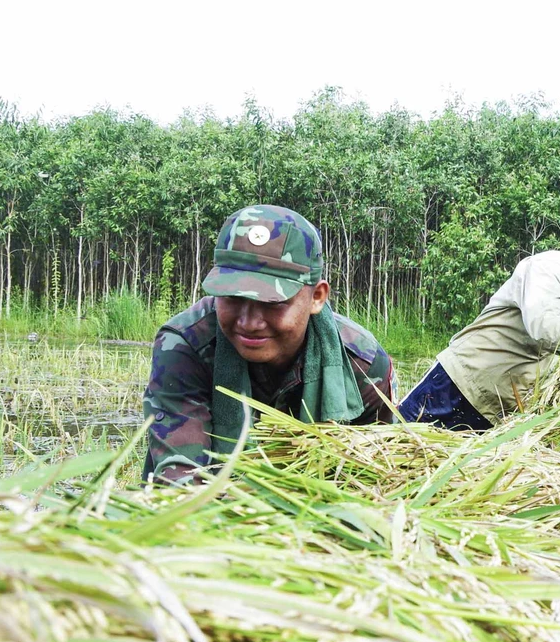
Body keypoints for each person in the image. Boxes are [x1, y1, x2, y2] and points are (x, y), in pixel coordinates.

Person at [143, 205, 397, 483]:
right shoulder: (185, 345)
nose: (249, 322)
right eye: (233, 297)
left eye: (272, 302)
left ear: (317, 297)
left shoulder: (363, 365)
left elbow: (377, 479)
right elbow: (180, 479)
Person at [400, 208, 560, 429]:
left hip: (503, 411)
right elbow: (543, 325)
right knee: (394, 457)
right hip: (459, 384)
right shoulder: (547, 268)